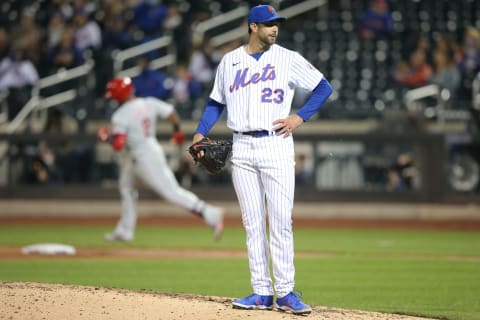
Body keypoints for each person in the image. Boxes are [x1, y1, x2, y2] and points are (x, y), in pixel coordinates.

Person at [191, 5, 332, 315]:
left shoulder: (288, 58)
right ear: (252, 26)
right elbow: (216, 102)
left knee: (281, 223)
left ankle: (286, 292)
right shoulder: (230, 61)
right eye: (268, 24)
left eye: (276, 23)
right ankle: (261, 292)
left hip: (276, 143)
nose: (274, 28)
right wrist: (200, 132)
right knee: (252, 223)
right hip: (241, 146)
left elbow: (324, 87)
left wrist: (299, 117)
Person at [100, 77, 224, 242]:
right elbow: (171, 113)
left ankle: (210, 213)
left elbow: (118, 144)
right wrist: (177, 131)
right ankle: (125, 230)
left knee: (171, 192)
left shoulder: (120, 115)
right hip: (147, 149)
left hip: (143, 155)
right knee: (126, 187)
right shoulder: (149, 102)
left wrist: (106, 137)